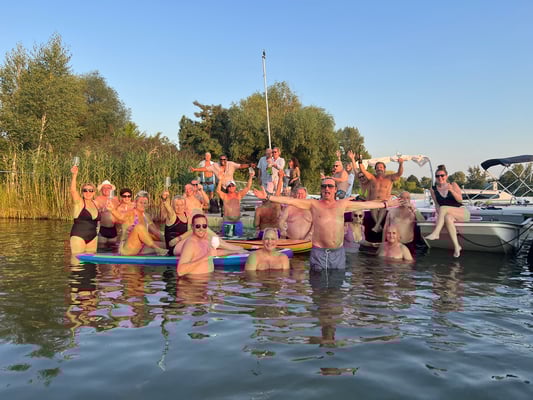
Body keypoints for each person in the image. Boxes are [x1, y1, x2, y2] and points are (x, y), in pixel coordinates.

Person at [253, 177, 400, 271]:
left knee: (336, 289)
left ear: (335, 189)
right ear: (321, 190)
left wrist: (386, 204)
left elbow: (366, 204)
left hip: (338, 253)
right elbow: (290, 200)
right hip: (319, 253)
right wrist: (268, 197)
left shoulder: (343, 204)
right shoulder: (313, 204)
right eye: (324, 186)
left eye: (330, 186)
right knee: (318, 289)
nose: (327, 189)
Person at [348, 150, 404, 238]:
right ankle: (378, 225)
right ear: (375, 170)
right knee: (373, 207)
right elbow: (361, 170)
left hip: (384, 201)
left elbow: (399, 173)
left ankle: (377, 226)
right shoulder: (372, 178)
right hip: (373, 202)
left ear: (384, 169)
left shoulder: (389, 177)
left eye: (381, 167)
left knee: (383, 206)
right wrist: (359, 159)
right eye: (377, 167)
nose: (379, 169)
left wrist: (401, 164)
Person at [425, 164, 470, 258]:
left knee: (443, 208)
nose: (440, 178)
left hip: (461, 212)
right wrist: (440, 219)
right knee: (447, 217)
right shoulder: (433, 189)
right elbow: (437, 204)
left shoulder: (453, 185)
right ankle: (457, 246)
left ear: (446, 176)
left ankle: (436, 233)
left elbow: (460, 200)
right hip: (449, 215)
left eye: (442, 175)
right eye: (437, 176)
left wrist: (452, 191)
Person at [109, 191, 167, 256]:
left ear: (148, 204)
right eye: (141, 202)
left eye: (145, 203)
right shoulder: (131, 213)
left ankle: (160, 248)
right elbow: (121, 217)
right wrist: (112, 210)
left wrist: (167, 240)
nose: (143, 205)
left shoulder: (146, 216)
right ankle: (157, 249)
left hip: (141, 247)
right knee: (139, 227)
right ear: (135, 203)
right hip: (127, 249)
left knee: (166, 245)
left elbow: (156, 232)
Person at [69, 165, 99, 264]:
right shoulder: (79, 202)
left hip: (93, 237)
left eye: (90, 190)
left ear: (94, 192)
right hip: (79, 236)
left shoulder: (96, 204)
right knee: (77, 264)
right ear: (82, 192)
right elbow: (73, 190)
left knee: (91, 266)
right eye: (85, 190)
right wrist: (75, 175)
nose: (88, 192)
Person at [384, 191, 424, 257]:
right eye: (402, 197)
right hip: (392, 243)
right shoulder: (392, 211)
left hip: (408, 243)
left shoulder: (413, 212)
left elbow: (422, 221)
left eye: (407, 198)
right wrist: (383, 243)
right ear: (398, 199)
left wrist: (413, 208)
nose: (405, 200)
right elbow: (385, 228)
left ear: (410, 200)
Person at [216, 168, 254, 237]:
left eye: (232, 185)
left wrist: (251, 177)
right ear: (227, 188)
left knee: (239, 239)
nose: (231, 187)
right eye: (229, 186)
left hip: (237, 222)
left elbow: (248, 187)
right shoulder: (225, 196)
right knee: (228, 240)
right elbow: (218, 191)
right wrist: (220, 180)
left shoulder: (238, 195)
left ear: (235, 187)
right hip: (228, 222)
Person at [95, 179, 119, 247]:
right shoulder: (98, 199)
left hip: (113, 229)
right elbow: (94, 212)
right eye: (104, 188)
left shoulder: (116, 199)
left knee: (113, 248)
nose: (106, 189)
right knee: (101, 248)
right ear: (101, 190)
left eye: (108, 188)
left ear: (111, 189)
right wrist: (101, 209)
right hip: (102, 229)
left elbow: (120, 212)